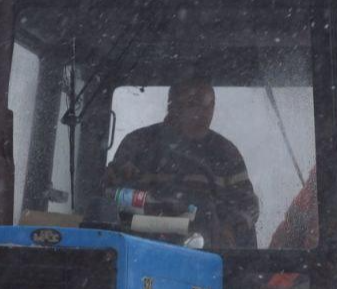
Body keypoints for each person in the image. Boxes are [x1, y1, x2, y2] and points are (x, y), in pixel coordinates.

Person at [105, 79, 260, 248]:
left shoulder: (227, 154)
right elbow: (111, 195)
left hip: (210, 257)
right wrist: (119, 177)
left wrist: (229, 229)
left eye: (210, 105)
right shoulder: (137, 145)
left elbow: (247, 205)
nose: (204, 113)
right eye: (194, 104)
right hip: (138, 252)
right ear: (173, 108)